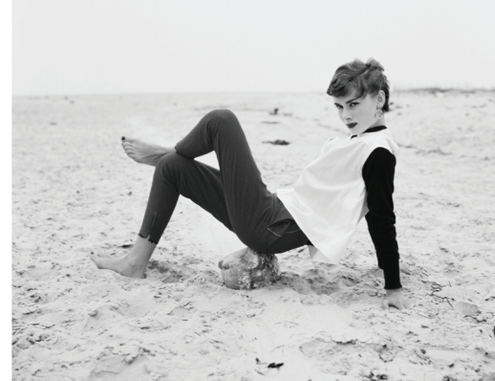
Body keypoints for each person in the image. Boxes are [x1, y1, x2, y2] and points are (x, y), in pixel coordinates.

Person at [91, 58, 408, 310]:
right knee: (173, 169)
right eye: (339, 107)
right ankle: (135, 263)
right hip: (273, 213)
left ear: (379, 99)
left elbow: (381, 215)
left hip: (272, 226)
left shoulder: (377, 152)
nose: (345, 115)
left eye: (353, 104)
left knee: (221, 120)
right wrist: (381, 266)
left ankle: (164, 151)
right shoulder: (363, 140)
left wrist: (392, 286)